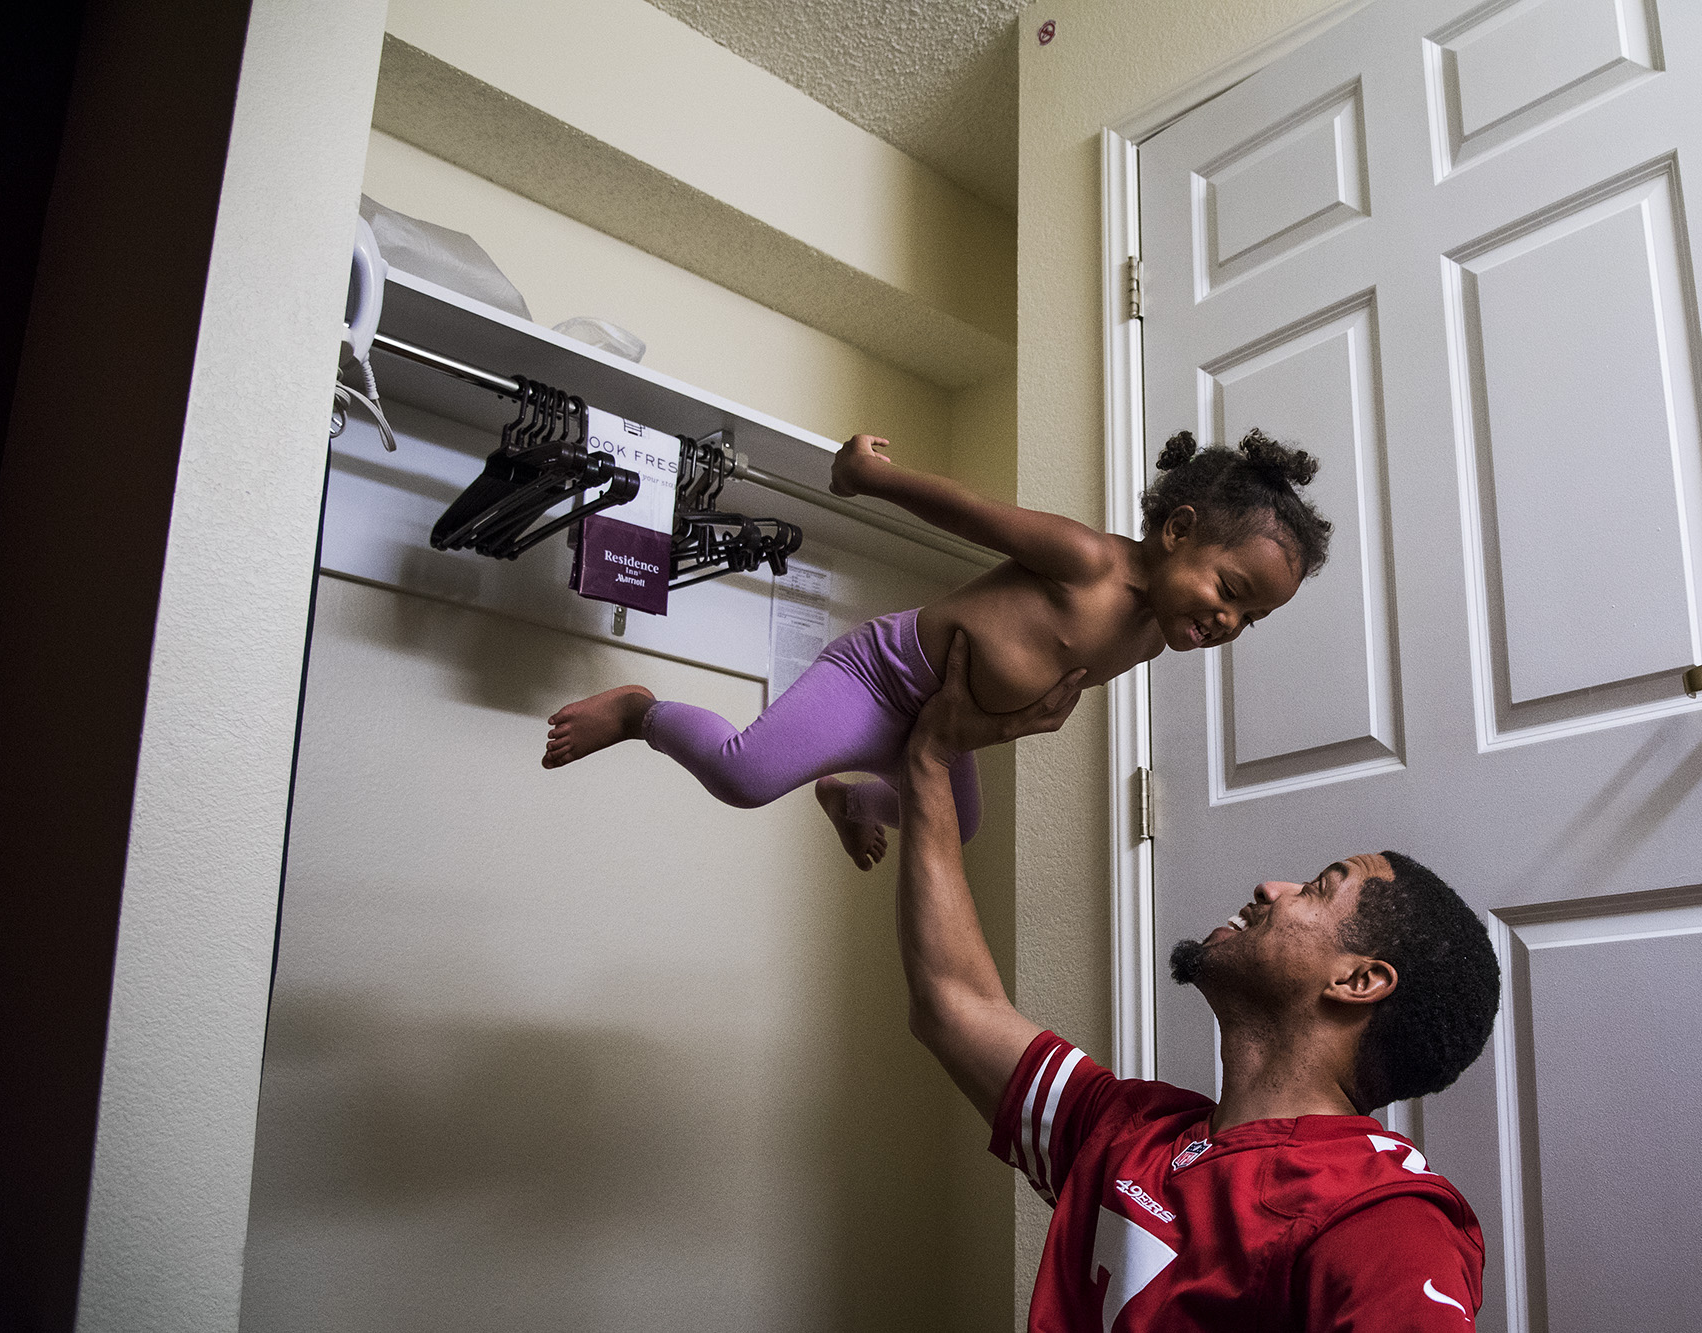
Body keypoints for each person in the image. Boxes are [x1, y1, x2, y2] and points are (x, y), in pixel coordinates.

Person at [896, 633, 1503, 1331]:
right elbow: (953, 1000)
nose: (1268, 886)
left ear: (1359, 979)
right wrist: (931, 757)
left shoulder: (1382, 1218)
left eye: (1313, 888)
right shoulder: (1131, 1131)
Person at [540, 427, 1331, 869]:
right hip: (883, 679)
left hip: (944, 722)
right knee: (743, 774)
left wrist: (1010, 719)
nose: (1228, 622)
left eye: (1249, 618)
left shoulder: (1152, 640)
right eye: (1230, 591)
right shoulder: (1089, 561)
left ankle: (846, 796)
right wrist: (869, 476)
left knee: (961, 828)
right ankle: (641, 711)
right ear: (1179, 530)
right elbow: (969, 512)